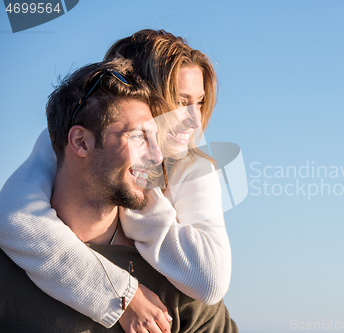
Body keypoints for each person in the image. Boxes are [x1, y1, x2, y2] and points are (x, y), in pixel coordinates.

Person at [0, 30, 233, 331]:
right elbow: (14, 218)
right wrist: (123, 296)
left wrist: (140, 207)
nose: (195, 121)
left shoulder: (192, 165)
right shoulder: (73, 135)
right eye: (180, 100)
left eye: (199, 103)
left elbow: (211, 281)